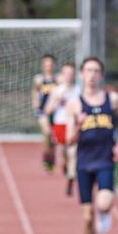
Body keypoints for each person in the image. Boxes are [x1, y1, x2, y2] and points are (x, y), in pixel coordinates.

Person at [66, 56, 118, 234]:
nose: (92, 75)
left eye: (96, 71)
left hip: (104, 160)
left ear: (101, 75)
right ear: (82, 75)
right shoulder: (75, 104)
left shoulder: (112, 99)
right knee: (86, 217)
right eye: (88, 70)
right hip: (84, 163)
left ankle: (104, 213)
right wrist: (78, 125)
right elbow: (68, 140)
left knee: (104, 204)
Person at [44, 61, 80, 196]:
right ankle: (66, 169)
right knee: (64, 155)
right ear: (63, 75)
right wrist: (56, 102)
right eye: (66, 73)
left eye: (71, 73)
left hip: (74, 125)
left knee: (73, 153)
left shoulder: (78, 90)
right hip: (60, 124)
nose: (69, 76)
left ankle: (71, 179)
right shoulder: (57, 91)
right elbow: (47, 111)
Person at [31, 54, 58, 171]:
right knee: (47, 132)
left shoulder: (58, 79)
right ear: (43, 66)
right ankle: (48, 157)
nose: (48, 67)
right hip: (43, 111)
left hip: (56, 112)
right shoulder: (39, 79)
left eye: (50, 64)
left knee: (54, 139)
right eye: (46, 65)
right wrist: (36, 105)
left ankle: (50, 152)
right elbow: (35, 92)